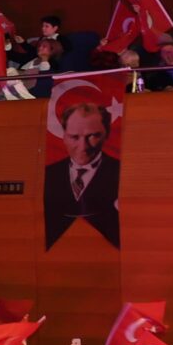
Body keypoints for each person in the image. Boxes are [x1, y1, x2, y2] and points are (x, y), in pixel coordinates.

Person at [44, 92, 122, 245]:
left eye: (93, 136)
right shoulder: (48, 175)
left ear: (106, 134)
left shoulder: (121, 172)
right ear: (64, 136)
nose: (83, 147)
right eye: (74, 137)